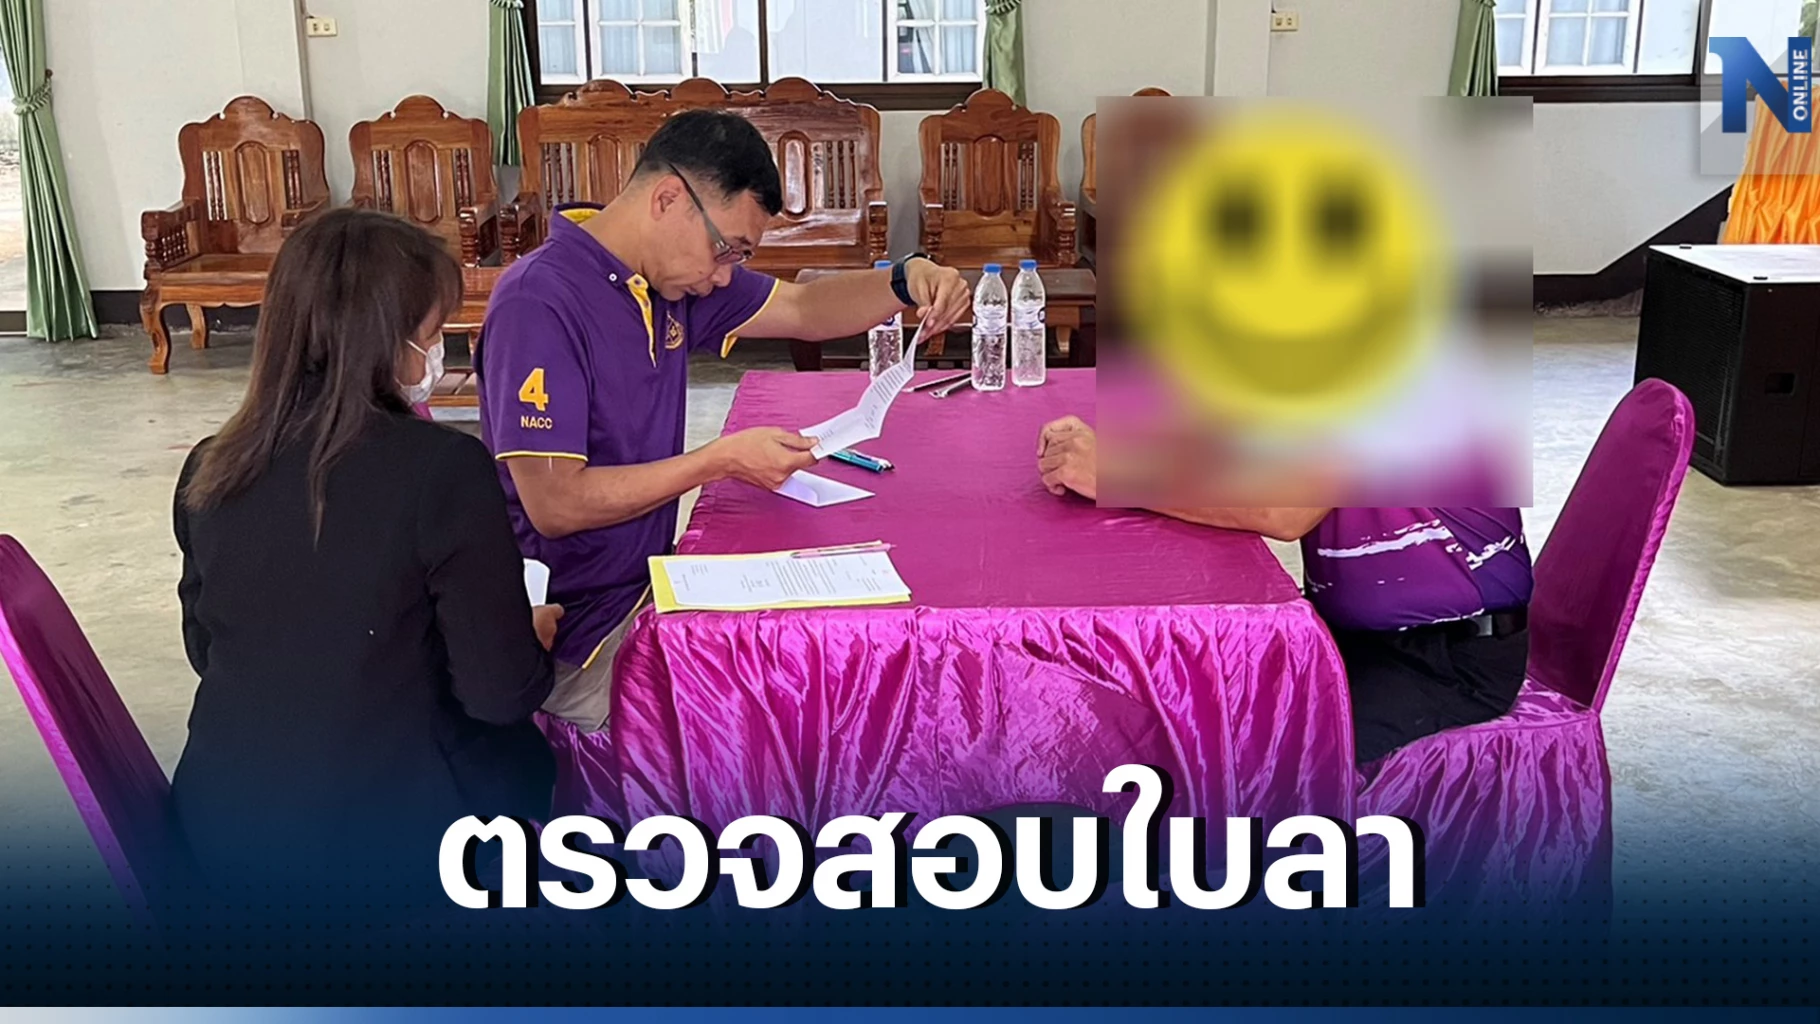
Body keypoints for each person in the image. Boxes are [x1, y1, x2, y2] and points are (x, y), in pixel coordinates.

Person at [475, 109, 972, 731]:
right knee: (787, 705)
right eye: (725, 248)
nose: (723, 276)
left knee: (829, 655)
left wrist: (908, 278)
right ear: (668, 199)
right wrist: (720, 459)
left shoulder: (662, 280)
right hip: (577, 637)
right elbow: (557, 504)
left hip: (646, 588)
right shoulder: (541, 301)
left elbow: (804, 308)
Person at [170, 207, 562, 888]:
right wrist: (528, 638)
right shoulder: (442, 469)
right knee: (530, 761)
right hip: (387, 846)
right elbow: (498, 694)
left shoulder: (210, 467)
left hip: (221, 825)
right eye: (432, 335)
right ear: (388, 342)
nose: (436, 358)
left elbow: (208, 649)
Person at [1035, 415, 1532, 765]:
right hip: (1345, 633)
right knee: (1164, 701)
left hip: (1447, 659)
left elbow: (1284, 509)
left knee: (1249, 768)